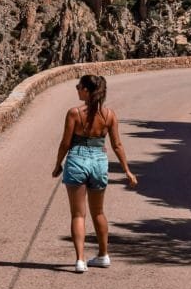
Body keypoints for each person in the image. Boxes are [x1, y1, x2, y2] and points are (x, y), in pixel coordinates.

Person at [51, 73, 138, 273]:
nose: (77, 89)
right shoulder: (109, 115)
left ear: (87, 91)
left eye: (79, 86)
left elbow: (65, 143)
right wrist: (127, 170)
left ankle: (80, 260)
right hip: (99, 160)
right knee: (98, 212)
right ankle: (103, 255)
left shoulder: (74, 113)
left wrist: (58, 165)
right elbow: (117, 145)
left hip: (77, 160)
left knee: (78, 214)